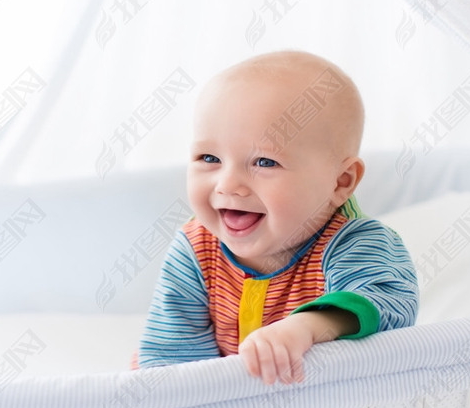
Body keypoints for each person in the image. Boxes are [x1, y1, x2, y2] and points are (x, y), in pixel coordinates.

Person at [137, 51, 418, 384]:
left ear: (340, 182)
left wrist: (306, 328)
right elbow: (171, 361)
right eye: (209, 157)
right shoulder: (196, 250)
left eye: (265, 162)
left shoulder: (353, 243)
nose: (227, 184)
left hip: (322, 407)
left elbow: (389, 303)